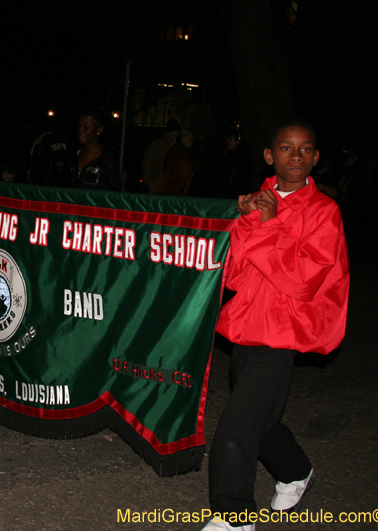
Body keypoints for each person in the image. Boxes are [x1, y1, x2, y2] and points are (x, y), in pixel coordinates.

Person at [203, 119, 350, 531]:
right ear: (270, 156)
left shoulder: (324, 211)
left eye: (306, 149)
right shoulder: (255, 202)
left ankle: (234, 517)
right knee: (260, 420)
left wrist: (268, 226)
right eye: (286, 148)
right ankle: (296, 471)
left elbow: (305, 278)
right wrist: (249, 220)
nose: (296, 157)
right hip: (248, 324)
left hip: (284, 330)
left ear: (316, 158)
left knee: (237, 423)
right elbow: (232, 276)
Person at [71, 109, 120, 191]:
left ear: (99, 130)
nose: (80, 130)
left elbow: (115, 191)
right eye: (79, 126)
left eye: (86, 127)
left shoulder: (108, 159)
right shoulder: (73, 155)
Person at [141, 118, 181, 193]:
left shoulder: (176, 147)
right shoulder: (156, 146)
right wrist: (150, 184)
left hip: (170, 187)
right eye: (175, 131)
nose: (177, 133)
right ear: (169, 132)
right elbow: (147, 165)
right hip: (157, 184)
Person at [153, 128, 194, 196]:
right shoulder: (175, 152)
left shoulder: (187, 154)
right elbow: (169, 173)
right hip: (170, 192)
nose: (192, 140)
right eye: (190, 138)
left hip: (179, 192)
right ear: (183, 139)